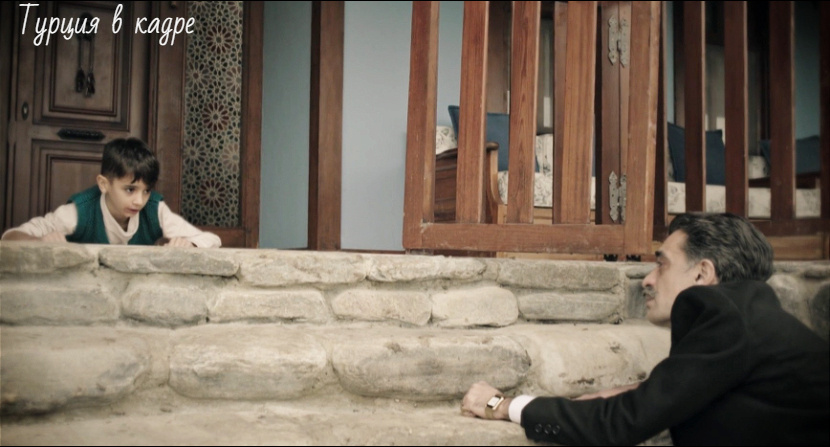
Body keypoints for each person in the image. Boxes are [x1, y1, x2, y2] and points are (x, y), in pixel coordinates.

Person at [461, 212, 829, 445]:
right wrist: (640, 391)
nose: (647, 280)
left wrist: (502, 405)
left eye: (662, 264)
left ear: (702, 273)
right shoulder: (749, 316)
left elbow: (623, 423)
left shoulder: (723, 314)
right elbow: (680, 396)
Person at [1, 138, 221, 248]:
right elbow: (10, 238)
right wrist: (41, 240)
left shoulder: (155, 209)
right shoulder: (79, 212)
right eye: (130, 189)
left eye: (146, 191)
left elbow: (212, 239)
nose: (139, 201)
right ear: (104, 184)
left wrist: (189, 244)